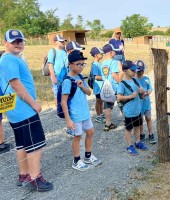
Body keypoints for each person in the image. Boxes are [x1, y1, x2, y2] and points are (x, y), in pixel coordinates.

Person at [0, 29, 53, 191]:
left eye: (20, 41)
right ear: (5, 43)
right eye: (14, 41)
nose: (18, 44)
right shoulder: (9, 59)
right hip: (24, 108)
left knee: (22, 144)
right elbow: (15, 84)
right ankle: (35, 178)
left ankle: (24, 174)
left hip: (15, 109)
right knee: (35, 144)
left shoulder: (10, 58)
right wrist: (33, 103)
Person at [61, 50, 101, 171]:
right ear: (70, 64)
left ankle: (88, 156)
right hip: (75, 114)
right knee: (77, 136)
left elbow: (89, 92)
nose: (81, 67)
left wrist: (82, 86)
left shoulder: (80, 77)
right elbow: (63, 101)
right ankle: (76, 160)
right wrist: (68, 120)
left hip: (85, 113)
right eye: (78, 64)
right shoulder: (67, 81)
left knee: (90, 132)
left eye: (83, 64)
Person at [117, 60, 148, 155]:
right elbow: (119, 97)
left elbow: (140, 91)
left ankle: (138, 142)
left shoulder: (135, 80)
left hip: (137, 109)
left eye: (135, 70)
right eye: (132, 70)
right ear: (125, 70)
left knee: (137, 126)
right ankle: (129, 146)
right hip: (129, 111)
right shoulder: (122, 84)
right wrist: (130, 96)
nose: (135, 72)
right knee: (129, 128)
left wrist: (141, 91)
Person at [101, 44, 124, 131]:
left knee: (107, 105)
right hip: (115, 86)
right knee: (121, 103)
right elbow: (114, 74)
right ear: (110, 52)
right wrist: (120, 82)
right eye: (114, 51)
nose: (115, 52)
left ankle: (108, 124)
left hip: (106, 86)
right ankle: (127, 120)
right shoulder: (114, 62)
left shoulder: (103, 63)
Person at [135, 60, 156, 144]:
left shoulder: (146, 79)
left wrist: (148, 92)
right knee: (140, 120)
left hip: (146, 103)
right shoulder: (133, 80)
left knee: (148, 118)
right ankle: (141, 134)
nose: (140, 72)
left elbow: (150, 88)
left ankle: (151, 134)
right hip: (138, 104)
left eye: (142, 70)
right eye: (138, 71)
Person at [47, 34, 67, 102]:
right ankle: (58, 109)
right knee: (57, 94)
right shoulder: (52, 51)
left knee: (64, 92)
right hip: (57, 75)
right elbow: (50, 65)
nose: (63, 43)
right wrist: (53, 77)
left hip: (64, 75)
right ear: (55, 42)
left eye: (63, 41)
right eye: (61, 41)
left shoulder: (64, 51)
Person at [89, 47, 105, 123]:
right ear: (96, 55)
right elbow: (96, 77)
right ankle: (98, 115)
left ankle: (101, 113)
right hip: (98, 86)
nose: (102, 54)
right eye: (100, 53)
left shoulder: (99, 64)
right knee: (98, 100)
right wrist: (105, 78)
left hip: (101, 86)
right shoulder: (95, 65)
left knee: (101, 101)